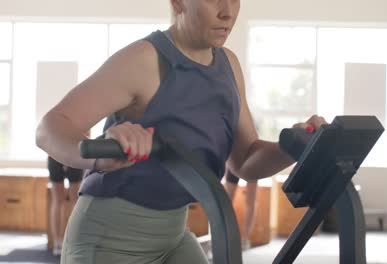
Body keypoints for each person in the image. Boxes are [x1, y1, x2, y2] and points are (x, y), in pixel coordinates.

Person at [35, 0, 327, 263]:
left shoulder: (229, 65)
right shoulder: (144, 59)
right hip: (109, 238)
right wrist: (98, 158)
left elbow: (245, 160)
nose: (228, 11)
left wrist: (293, 146)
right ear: (178, 2)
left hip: (173, 234)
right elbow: (49, 128)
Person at [47, 156, 84, 256]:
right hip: (72, 154)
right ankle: (68, 242)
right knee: (74, 201)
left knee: (58, 201)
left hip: (56, 155)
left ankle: (58, 243)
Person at [224, 169, 257, 251]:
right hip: (235, 163)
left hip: (252, 163)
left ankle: (245, 239)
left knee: (250, 201)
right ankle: (225, 236)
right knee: (226, 201)